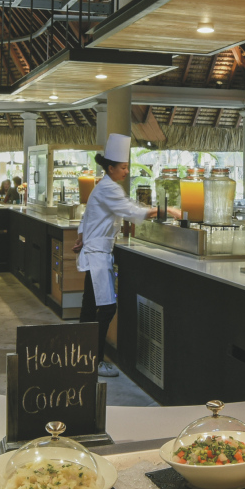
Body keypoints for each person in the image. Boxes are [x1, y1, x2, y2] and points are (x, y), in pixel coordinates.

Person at [77, 134, 158, 365]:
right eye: (123, 167)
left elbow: (87, 217)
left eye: (127, 167)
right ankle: (93, 361)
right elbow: (132, 211)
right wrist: (164, 210)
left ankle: (82, 358)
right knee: (106, 309)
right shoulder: (109, 188)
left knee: (90, 308)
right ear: (111, 168)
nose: (126, 171)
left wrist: (81, 237)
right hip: (98, 255)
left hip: (95, 251)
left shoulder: (103, 186)